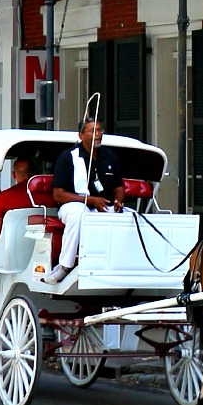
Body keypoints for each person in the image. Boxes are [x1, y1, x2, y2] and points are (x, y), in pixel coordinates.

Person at [47, 116, 124, 284]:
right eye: (93, 131)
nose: (98, 134)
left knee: (128, 217)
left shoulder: (109, 156)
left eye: (99, 130)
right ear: (81, 135)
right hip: (72, 205)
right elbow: (58, 194)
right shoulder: (68, 157)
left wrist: (119, 201)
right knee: (79, 212)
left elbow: (119, 188)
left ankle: (119, 265)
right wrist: (89, 200)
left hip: (102, 205)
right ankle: (64, 266)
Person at [0, 158, 35, 243]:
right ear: (32, 173)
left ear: (13, 175)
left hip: (11, 245)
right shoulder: (48, 196)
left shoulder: (2, 197)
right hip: (39, 245)